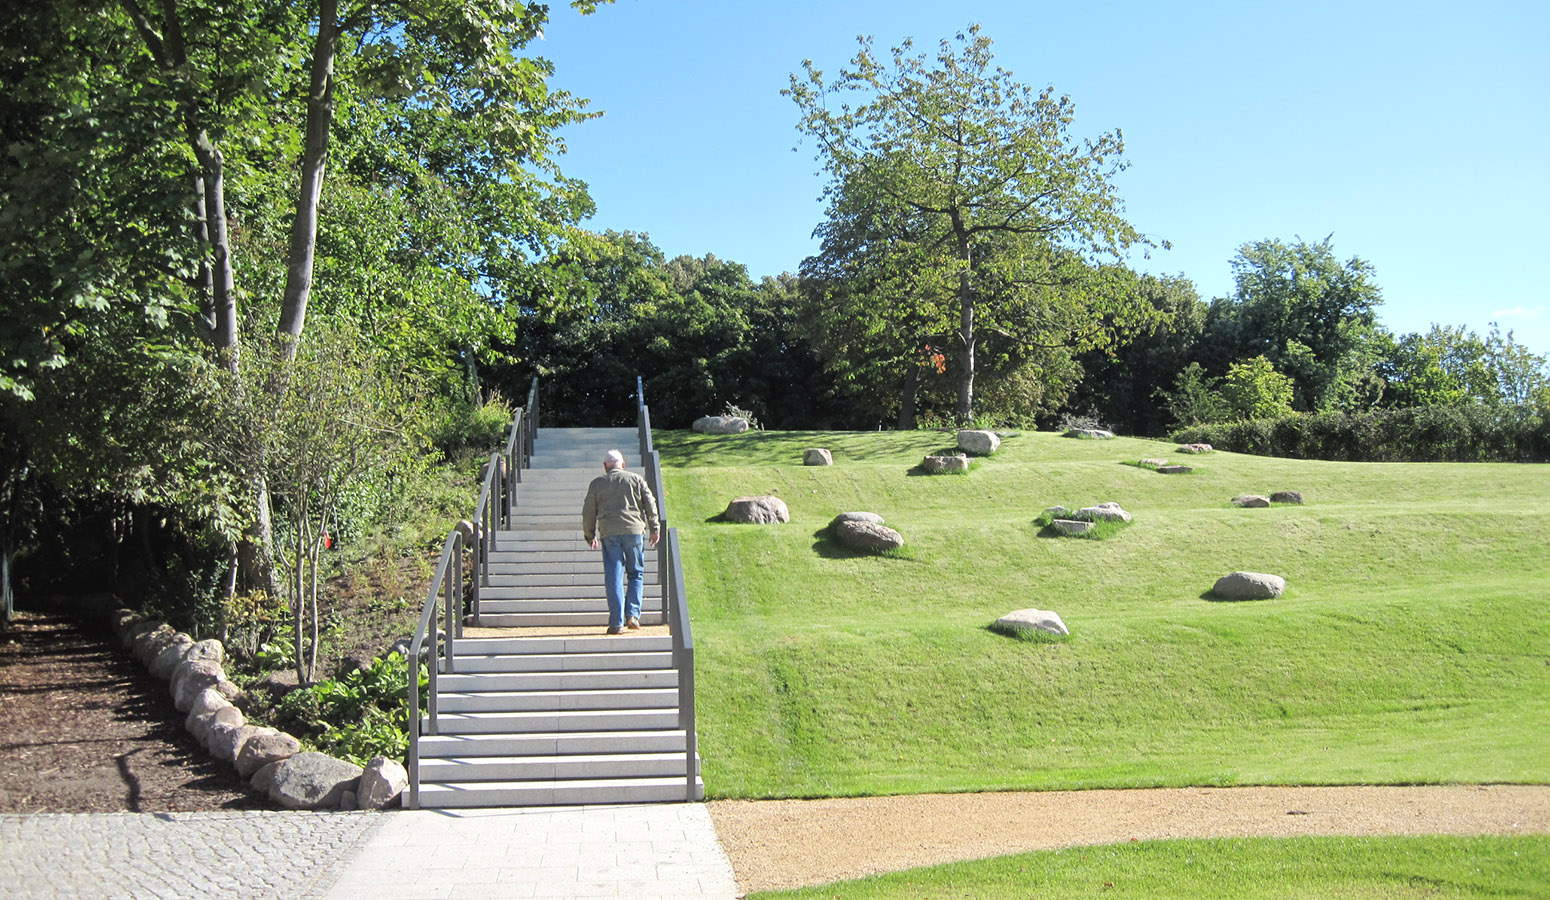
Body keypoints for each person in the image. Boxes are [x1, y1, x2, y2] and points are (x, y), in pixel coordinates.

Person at [581, 449, 661, 634]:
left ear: (605, 466)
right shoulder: (636, 479)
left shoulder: (597, 484)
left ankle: (616, 622)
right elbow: (650, 503)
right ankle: (632, 615)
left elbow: (588, 511)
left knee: (614, 577)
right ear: (622, 464)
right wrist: (654, 527)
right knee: (636, 573)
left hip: (609, 533)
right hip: (634, 532)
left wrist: (590, 535)